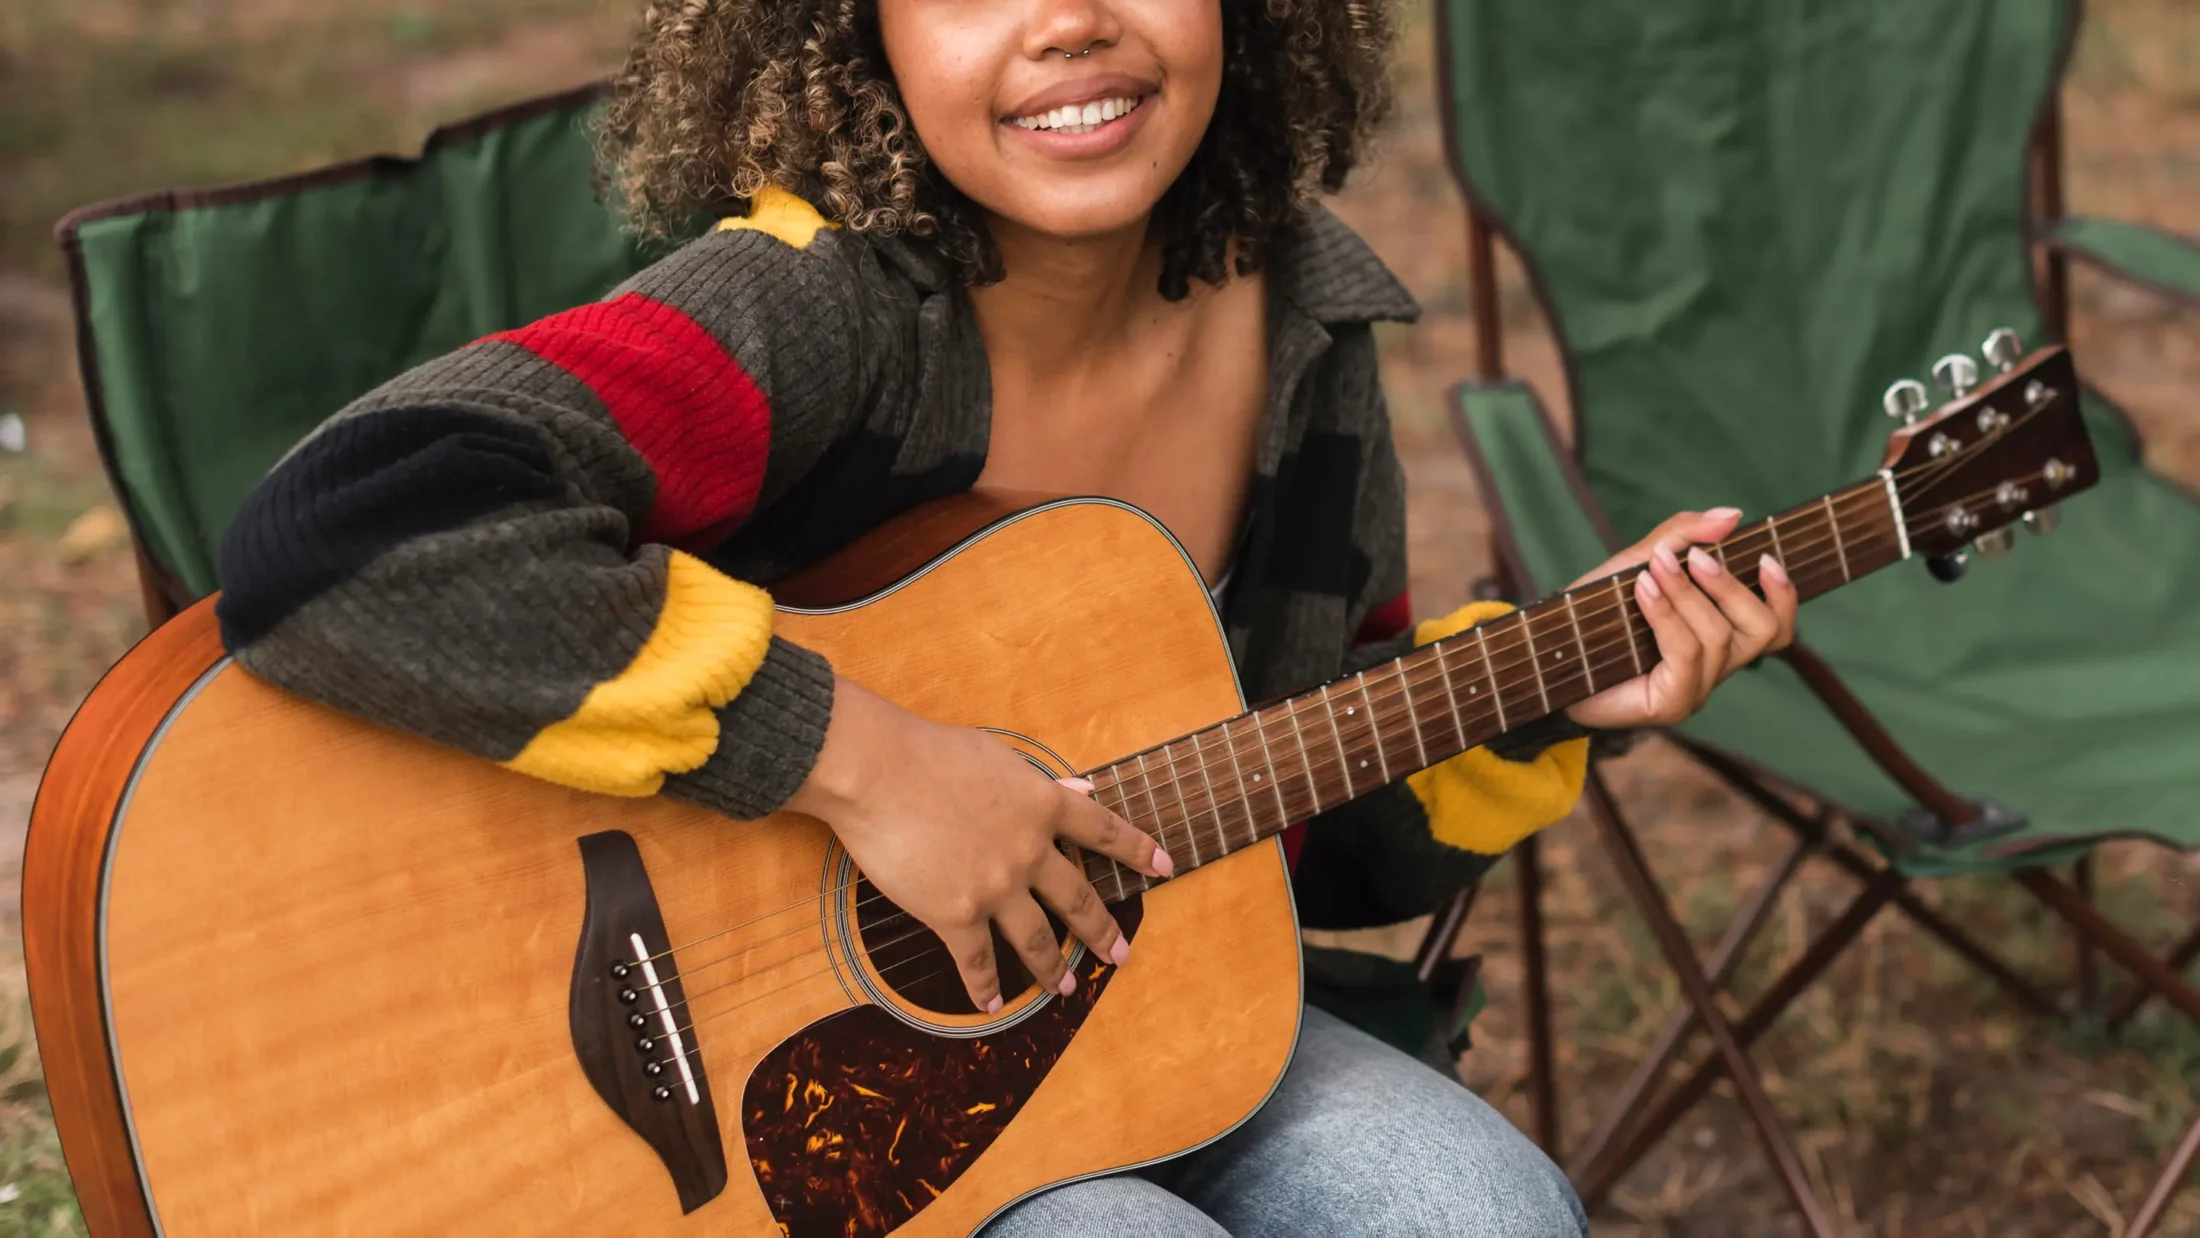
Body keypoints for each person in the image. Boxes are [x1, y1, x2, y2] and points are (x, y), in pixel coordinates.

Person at [213, 1, 1798, 1233]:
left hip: (1135, 1017)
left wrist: (1550, 687)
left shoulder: (1310, 327)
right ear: (861, 35)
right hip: (744, 1105)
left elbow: (1306, 834)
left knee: (1487, 1208)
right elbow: (351, 519)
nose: (1070, 24)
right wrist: (859, 760)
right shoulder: (816, 307)